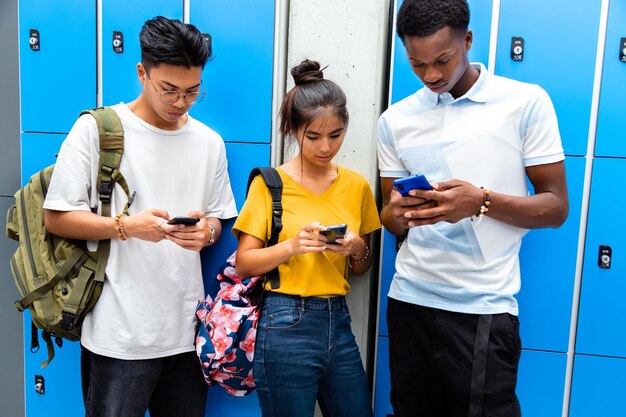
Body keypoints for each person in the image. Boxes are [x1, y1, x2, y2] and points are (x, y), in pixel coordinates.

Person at [377, 1, 569, 416]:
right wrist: (400, 211)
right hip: (409, 300)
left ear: (467, 40)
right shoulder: (395, 121)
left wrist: (478, 201)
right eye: (417, 64)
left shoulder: (525, 103)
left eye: (442, 60)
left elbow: (555, 207)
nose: (431, 76)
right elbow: (389, 219)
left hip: (482, 307)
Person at [43, 16, 237, 417]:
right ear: (142, 73)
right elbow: (57, 218)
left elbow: (220, 220)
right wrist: (125, 227)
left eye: (191, 91)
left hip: (187, 334)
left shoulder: (209, 143)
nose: (180, 101)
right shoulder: (95, 131)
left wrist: (207, 232)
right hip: (118, 335)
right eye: (169, 90)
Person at [234, 59, 381, 417]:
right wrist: (291, 246)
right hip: (285, 322)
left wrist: (357, 247)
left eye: (336, 135)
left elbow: (362, 269)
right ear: (294, 130)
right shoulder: (270, 184)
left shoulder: (356, 186)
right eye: (313, 136)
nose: (325, 146)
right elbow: (244, 264)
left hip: (338, 320)